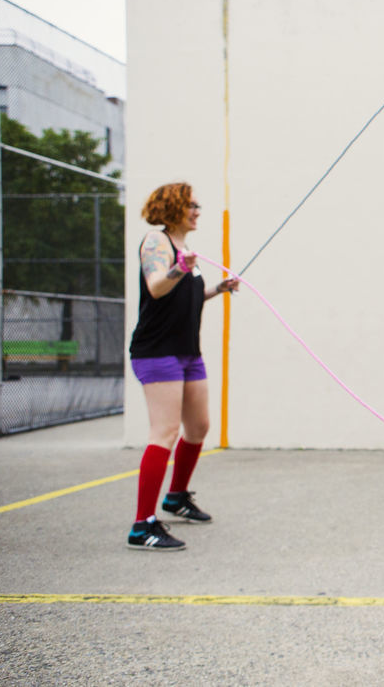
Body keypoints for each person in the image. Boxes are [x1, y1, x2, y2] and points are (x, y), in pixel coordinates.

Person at [126, 182, 238, 551]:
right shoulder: (157, 242)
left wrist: (217, 289)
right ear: (173, 206)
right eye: (191, 204)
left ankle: (175, 498)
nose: (197, 210)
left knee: (199, 427)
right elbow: (157, 287)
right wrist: (177, 268)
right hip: (157, 350)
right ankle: (142, 526)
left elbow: (184, 296)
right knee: (165, 432)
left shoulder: (184, 250)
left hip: (188, 351)